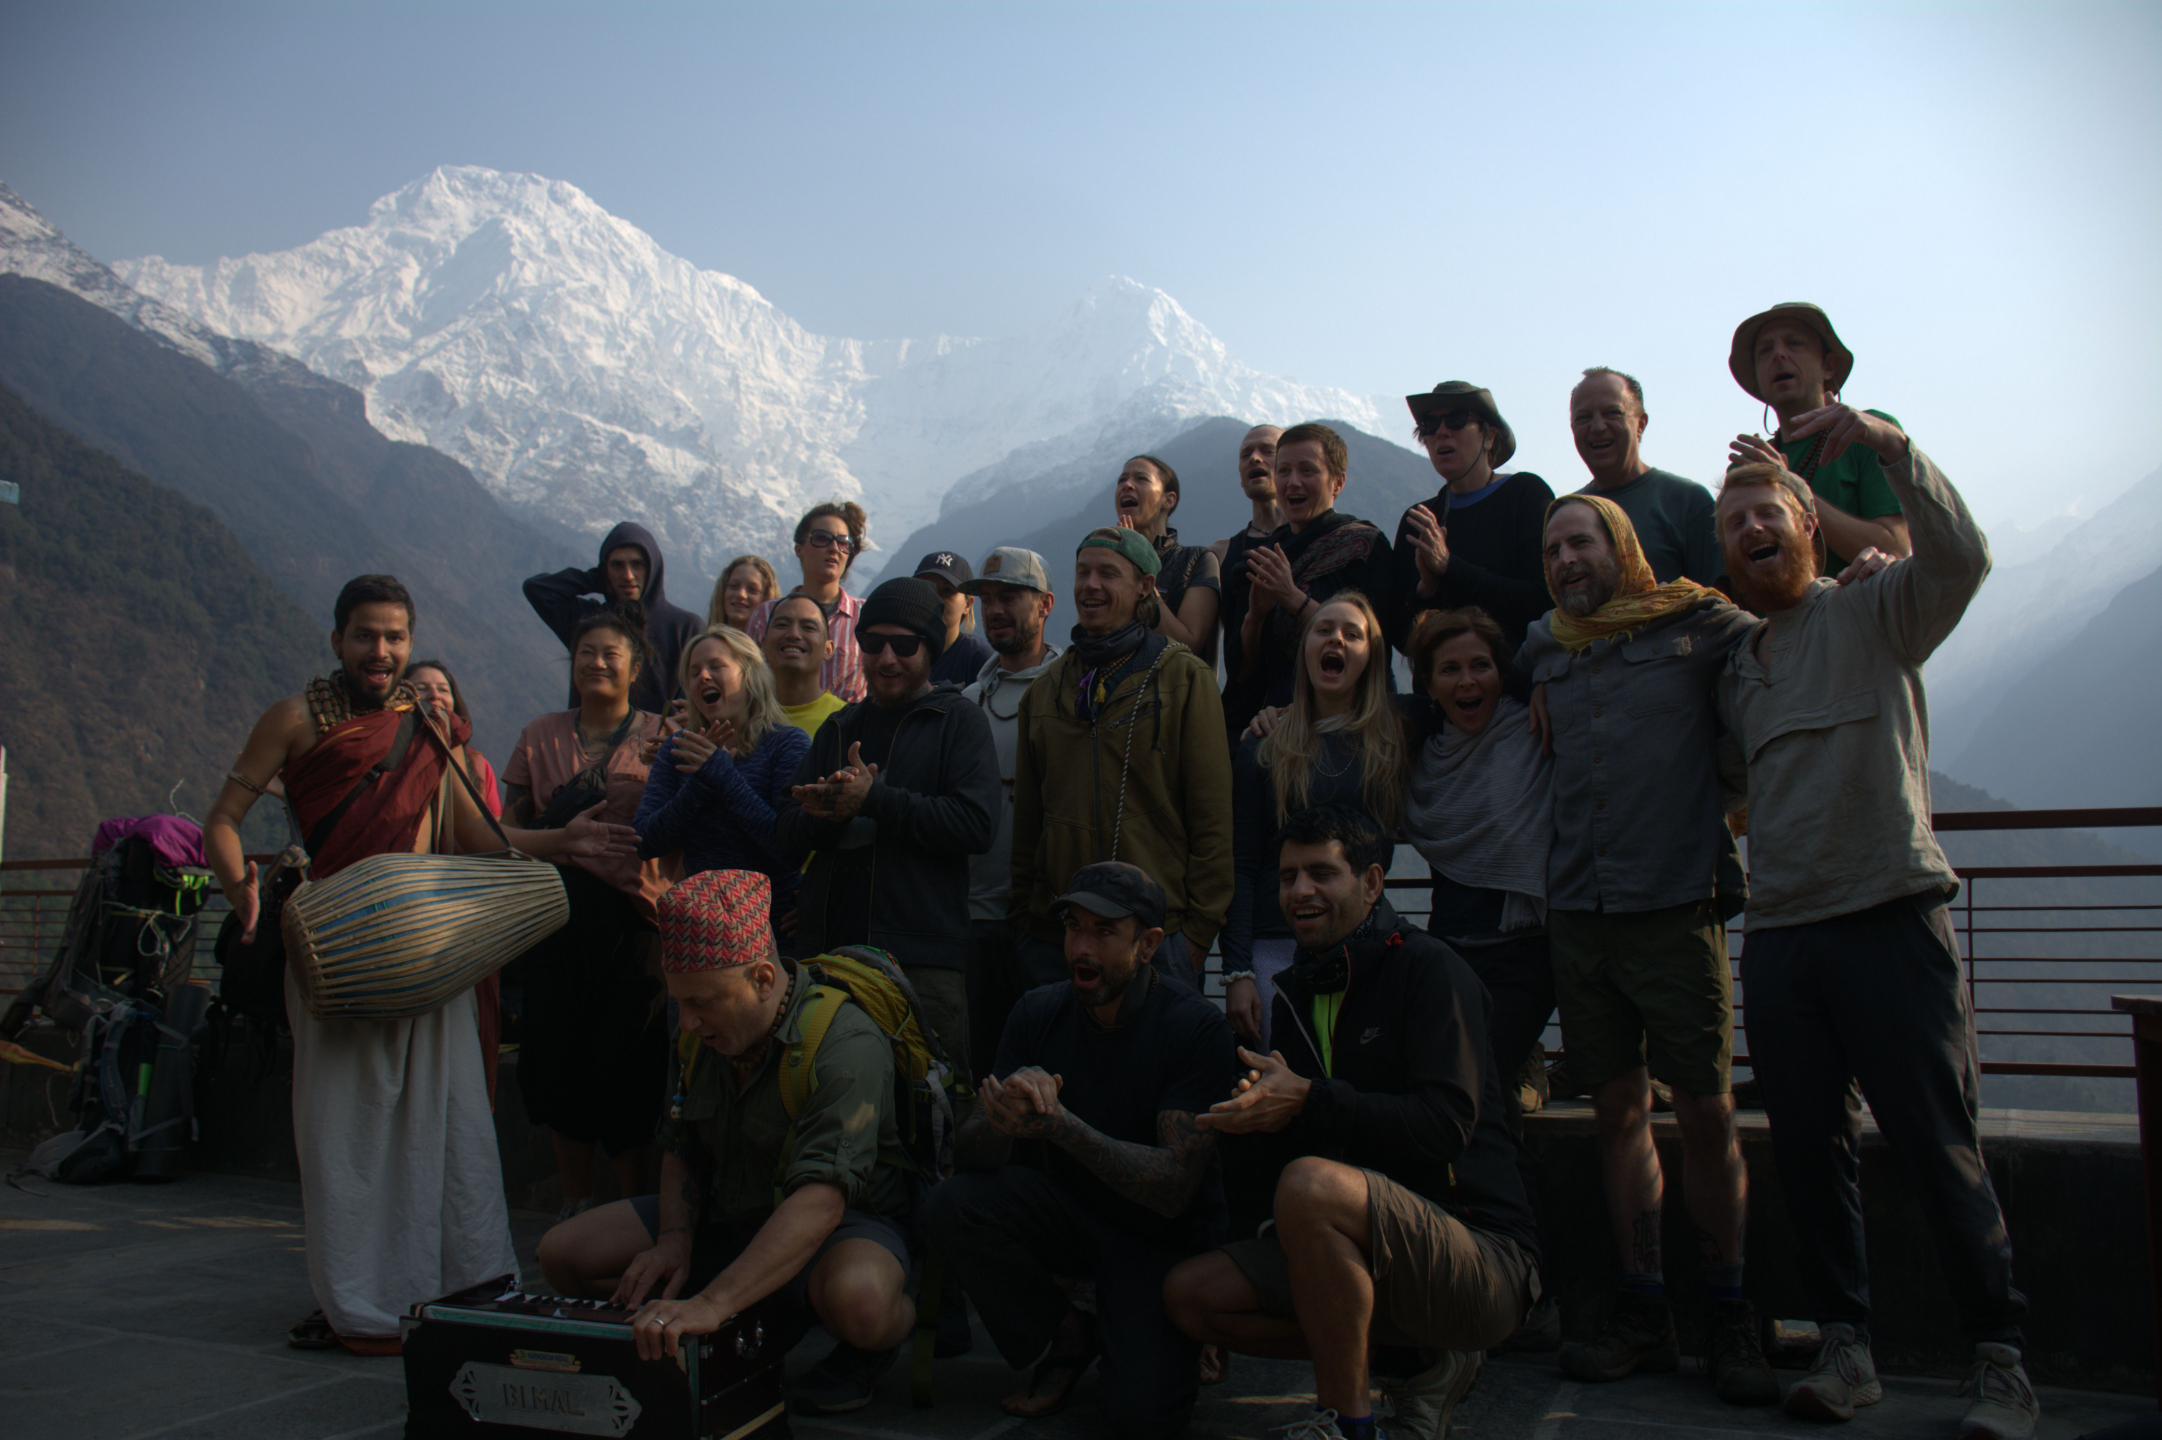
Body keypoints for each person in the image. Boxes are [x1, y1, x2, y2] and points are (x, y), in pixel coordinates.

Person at [203, 574, 640, 1354]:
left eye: (395, 637)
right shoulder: (296, 720)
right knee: (347, 1131)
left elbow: (482, 839)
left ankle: (457, 1284)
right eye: (366, 635)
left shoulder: (425, 726)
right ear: (338, 639)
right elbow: (223, 821)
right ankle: (364, 1303)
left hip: (427, 947)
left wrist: (564, 842)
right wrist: (244, 894)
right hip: (337, 946)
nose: (382, 652)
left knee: (447, 1123)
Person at [1714, 418, 2038, 1438]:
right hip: (1781, 935)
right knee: (1808, 1155)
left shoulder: (1877, 608)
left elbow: (1965, 558)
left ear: (1807, 524)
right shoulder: (1736, 668)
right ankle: (1847, 1350)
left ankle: (1999, 1363)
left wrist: (1895, 453)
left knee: (1937, 1145)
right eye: (1732, 524)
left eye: (1766, 512)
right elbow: (1729, 788)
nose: (1750, 530)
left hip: (1889, 914)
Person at [1166, 805, 1541, 1440]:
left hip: (1480, 1256)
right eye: (1287, 877)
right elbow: (1296, 1138)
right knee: (1190, 1295)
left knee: (1311, 1186)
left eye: (1321, 874)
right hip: (1360, 1250)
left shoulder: (1431, 971)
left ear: (1371, 884)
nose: (1300, 892)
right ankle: (1416, 1358)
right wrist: (1249, 1124)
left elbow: (1447, 1125)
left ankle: (1346, 1423)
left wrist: (1311, 1098)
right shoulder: (1295, 991)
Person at [1517, 495, 1776, 1405]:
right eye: (1552, 548)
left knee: (1707, 1114)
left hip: (1676, 902)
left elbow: (1783, 630)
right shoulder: (1545, 644)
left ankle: (1732, 1313)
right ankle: (1645, 1311)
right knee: (1618, 1112)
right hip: (1580, 910)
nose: (1565, 560)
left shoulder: (1699, 624)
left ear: (1621, 548)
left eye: (1580, 541)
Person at [537, 869, 918, 1415]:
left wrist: (714, 1302)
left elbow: (821, 1201)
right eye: (680, 1002)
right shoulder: (699, 1036)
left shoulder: (844, 1042)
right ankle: (703, 1325)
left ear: (763, 978)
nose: (687, 1022)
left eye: (704, 1003)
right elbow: (680, 1143)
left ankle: (862, 1337)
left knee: (861, 1301)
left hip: (835, 1228)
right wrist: (673, 1239)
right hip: (729, 1213)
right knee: (564, 1254)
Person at [924, 862, 1237, 1436]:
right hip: (1068, 1216)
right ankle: (1069, 1334)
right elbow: (969, 1154)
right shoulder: (1038, 1011)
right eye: (1073, 927)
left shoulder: (1196, 1029)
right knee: (952, 1205)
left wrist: (1062, 1127)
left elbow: (1171, 1189)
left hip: (1159, 1240)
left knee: (1138, 1414)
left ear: (1147, 945)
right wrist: (1003, 1120)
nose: (1080, 948)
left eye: (1103, 931)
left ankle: (1178, 1329)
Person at [1401, 605, 1561, 1349]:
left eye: (1480, 665)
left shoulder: (1531, 732)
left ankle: (1524, 1282)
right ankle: (1484, 1274)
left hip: (1523, 948)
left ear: (1505, 673)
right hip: (1450, 949)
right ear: (1429, 684)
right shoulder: (1422, 755)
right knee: (1465, 1099)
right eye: (1450, 669)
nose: (1467, 680)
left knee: (1480, 1097)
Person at [776, 576, 1000, 1081]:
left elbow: (976, 824)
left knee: (933, 1114)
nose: (887, 658)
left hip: (921, 958)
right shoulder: (837, 729)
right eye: (873, 643)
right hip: (826, 957)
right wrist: (826, 815)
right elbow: (785, 834)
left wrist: (875, 800)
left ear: (929, 648)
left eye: (904, 645)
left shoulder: (958, 722)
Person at [503, 607, 676, 1225]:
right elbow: (504, 833)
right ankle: (574, 1206)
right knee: (557, 1067)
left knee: (631, 1071)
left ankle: (631, 1214)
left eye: (611, 654)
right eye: (585, 653)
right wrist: (562, 841)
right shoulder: (539, 734)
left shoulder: (664, 735)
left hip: (636, 931)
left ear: (637, 667)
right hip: (555, 923)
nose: (597, 663)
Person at [1010, 527, 1234, 993]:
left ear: (1145, 588)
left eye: (1108, 573)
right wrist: (1024, 922)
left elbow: (1212, 820)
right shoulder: (1046, 690)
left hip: (1158, 939)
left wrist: (1197, 934)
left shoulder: (1183, 680)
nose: (1090, 585)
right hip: (1057, 939)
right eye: (1082, 572)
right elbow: (1027, 826)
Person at [1223, 593, 1406, 1050]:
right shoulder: (1263, 745)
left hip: (1362, 947)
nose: (1336, 639)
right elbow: (1241, 865)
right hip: (1274, 944)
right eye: (1323, 630)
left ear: (1371, 656)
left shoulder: (1391, 743)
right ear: (1304, 649)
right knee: (1275, 1082)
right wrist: (1237, 971)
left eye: (1352, 634)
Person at [634, 625, 811, 940]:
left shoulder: (787, 744)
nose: (703, 676)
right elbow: (646, 841)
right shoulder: (677, 748)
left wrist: (722, 774)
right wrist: (700, 784)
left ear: (749, 674)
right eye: (694, 672)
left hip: (773, 929)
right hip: (700, 930)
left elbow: (790, 849)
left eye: (716, 666)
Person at [957, 546, 1061, 1072]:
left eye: (1011, 596)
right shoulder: (969, 700)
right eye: (988, 598)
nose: (995, 608)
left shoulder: (1075, 690)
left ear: (1045, 605)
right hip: (973, 918)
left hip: (1045, 921)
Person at [1227, 423, 1394, 743]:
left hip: (1356, 727)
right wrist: (1256, 616)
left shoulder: (1364, 547)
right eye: (1284, 470)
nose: (1293, 482)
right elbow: (1243, 672)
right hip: (1277, 724)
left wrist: (1292, 598)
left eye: (1307, 470)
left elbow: (1378, 648)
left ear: (1338, 482)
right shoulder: (1260, 558)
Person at [1729, 302, 1911, 572]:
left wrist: (1790, 486)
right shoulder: (1748, 465)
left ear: (1829, 366)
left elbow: (1894, 550)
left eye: (1794, 343)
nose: (1778, 354)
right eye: (1765, 350)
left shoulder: (1868, 434)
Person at [1387, 382, 1555, 659]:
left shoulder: (1526, 494)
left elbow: (1544, 602)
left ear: (1489, 437)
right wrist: (1425, 591)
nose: (1441, 432)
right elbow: (1401, 638)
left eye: (1456, 419)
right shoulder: (1419, 519)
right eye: (1430, 424)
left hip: (1520, 688)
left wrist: (1449, 567)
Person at [405, 657, 507, 1107]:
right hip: (405, 910)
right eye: (421, 687)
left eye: (442, 688)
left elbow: (493, 838)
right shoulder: (391, 760)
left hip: (461, 914)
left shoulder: (476, 766)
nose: (434, 696)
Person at [524, 521, 701, 714]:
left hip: (656, 741)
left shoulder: (684, 627)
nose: (628, 575)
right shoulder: (589, 621)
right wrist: (597, 579)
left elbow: (692, 696)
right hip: (586, 741)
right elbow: (538, 589)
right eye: (617, 565)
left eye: (637, 565)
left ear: (652, 568)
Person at [1569, 368, 1724, 586]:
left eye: (1612, 413)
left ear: (1640, 424)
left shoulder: (1688, 502)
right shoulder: (1566, 515)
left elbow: (1719, 606)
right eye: (1583, 417)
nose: (1597, 426)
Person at [746, 502, 870, 702]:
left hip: (846, 730)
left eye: (843, 542)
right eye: (822, 538)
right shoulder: (766, 614)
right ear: (799, 549)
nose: (834, 548)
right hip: (776, 726)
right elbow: (747, 680)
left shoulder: (867, 615)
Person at [1115, 454, 1223, 663]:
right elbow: (1089, 637)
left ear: (1168, 500)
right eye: (1122, 480)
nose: (1127, 485)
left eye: (1141, 479)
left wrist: (1139, 564)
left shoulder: (1197, 561)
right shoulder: (1106, 562)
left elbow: (1187, 646)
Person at [1215, 424, 1286, 706]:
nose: (1254, 459)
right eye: (1246, 455)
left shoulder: (1320, 543)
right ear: (1241, 478)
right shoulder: (1219, 554)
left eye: (1268, 451)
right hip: (1240, 711)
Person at [760, 593, 846, 739]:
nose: (793, 634)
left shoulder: (845, 720)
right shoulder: (744, 716)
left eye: (808, 627)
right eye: (782, 625)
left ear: (828, 649)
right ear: (763, 645)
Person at [914, 551, 999, 685]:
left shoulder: (981, 659)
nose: (934, 598)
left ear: (968, 604)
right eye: (926, 587)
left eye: (947, 591)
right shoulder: (896, 652)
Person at [708, 553, 780, 631]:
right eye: (734, 586)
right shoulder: (703, 642)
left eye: (752, 590)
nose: (740, 594)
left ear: (767, 597)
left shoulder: (778, 643)